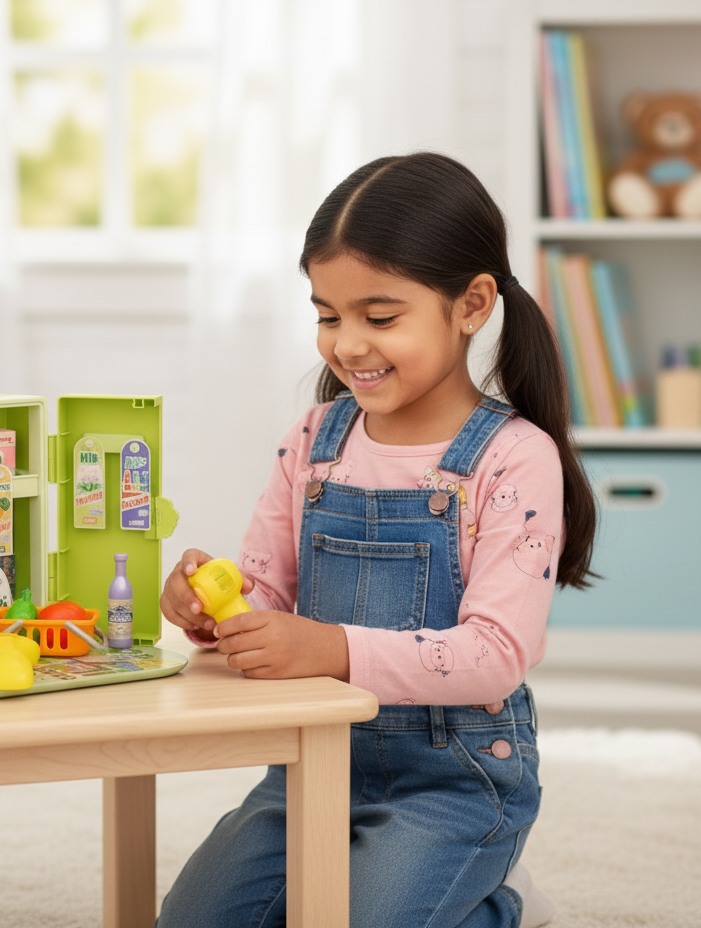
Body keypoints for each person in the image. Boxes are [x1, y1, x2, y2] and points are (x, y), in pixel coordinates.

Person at [158, 151, 597, 928]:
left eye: (380, 316)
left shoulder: (513, 458)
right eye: (328, 315)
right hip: (309, 767)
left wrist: (329, 650)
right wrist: (212, 607)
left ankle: (505, 907)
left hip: (458, 783)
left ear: (472, 304)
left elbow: (496, 652)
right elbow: (264, 590)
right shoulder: (315, 438)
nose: (347, 345)